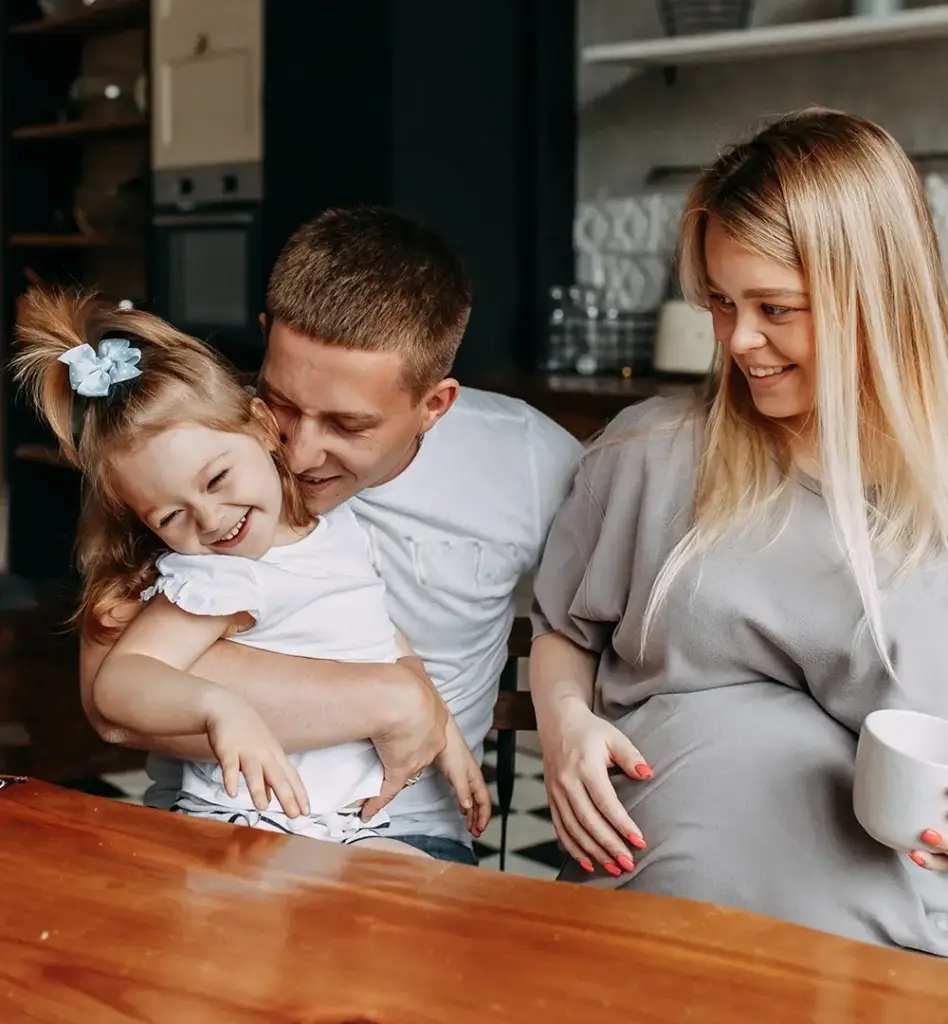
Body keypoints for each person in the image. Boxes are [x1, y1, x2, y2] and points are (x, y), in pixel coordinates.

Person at [531, 108, 948, 954]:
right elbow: (561, 632)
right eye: (721, 302)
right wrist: (564, 724)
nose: (739, 341)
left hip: (885, 947)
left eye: (775, 307)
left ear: (876, 295)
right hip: (638, 929)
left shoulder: (931, 494)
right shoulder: (652, 452)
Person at [80, 206, 581, 864]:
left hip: (402, 827)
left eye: (348, 425)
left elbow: (602, 628)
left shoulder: (530, 462)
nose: (301, 451)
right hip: (221, 820)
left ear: (435, 405)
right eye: (282, 402)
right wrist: (396, 701)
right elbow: (110, 695)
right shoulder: (198, 451)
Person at [14, 289, 491, 853]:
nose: (212, 520)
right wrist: (217, 706)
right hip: (245, 820)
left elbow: (373, 633)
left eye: (217, 480)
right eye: (170, 515)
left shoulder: (333, 532)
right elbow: (119, 683)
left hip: (342, 826)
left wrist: (442, 730)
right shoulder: (219, 575)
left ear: (264, 426)